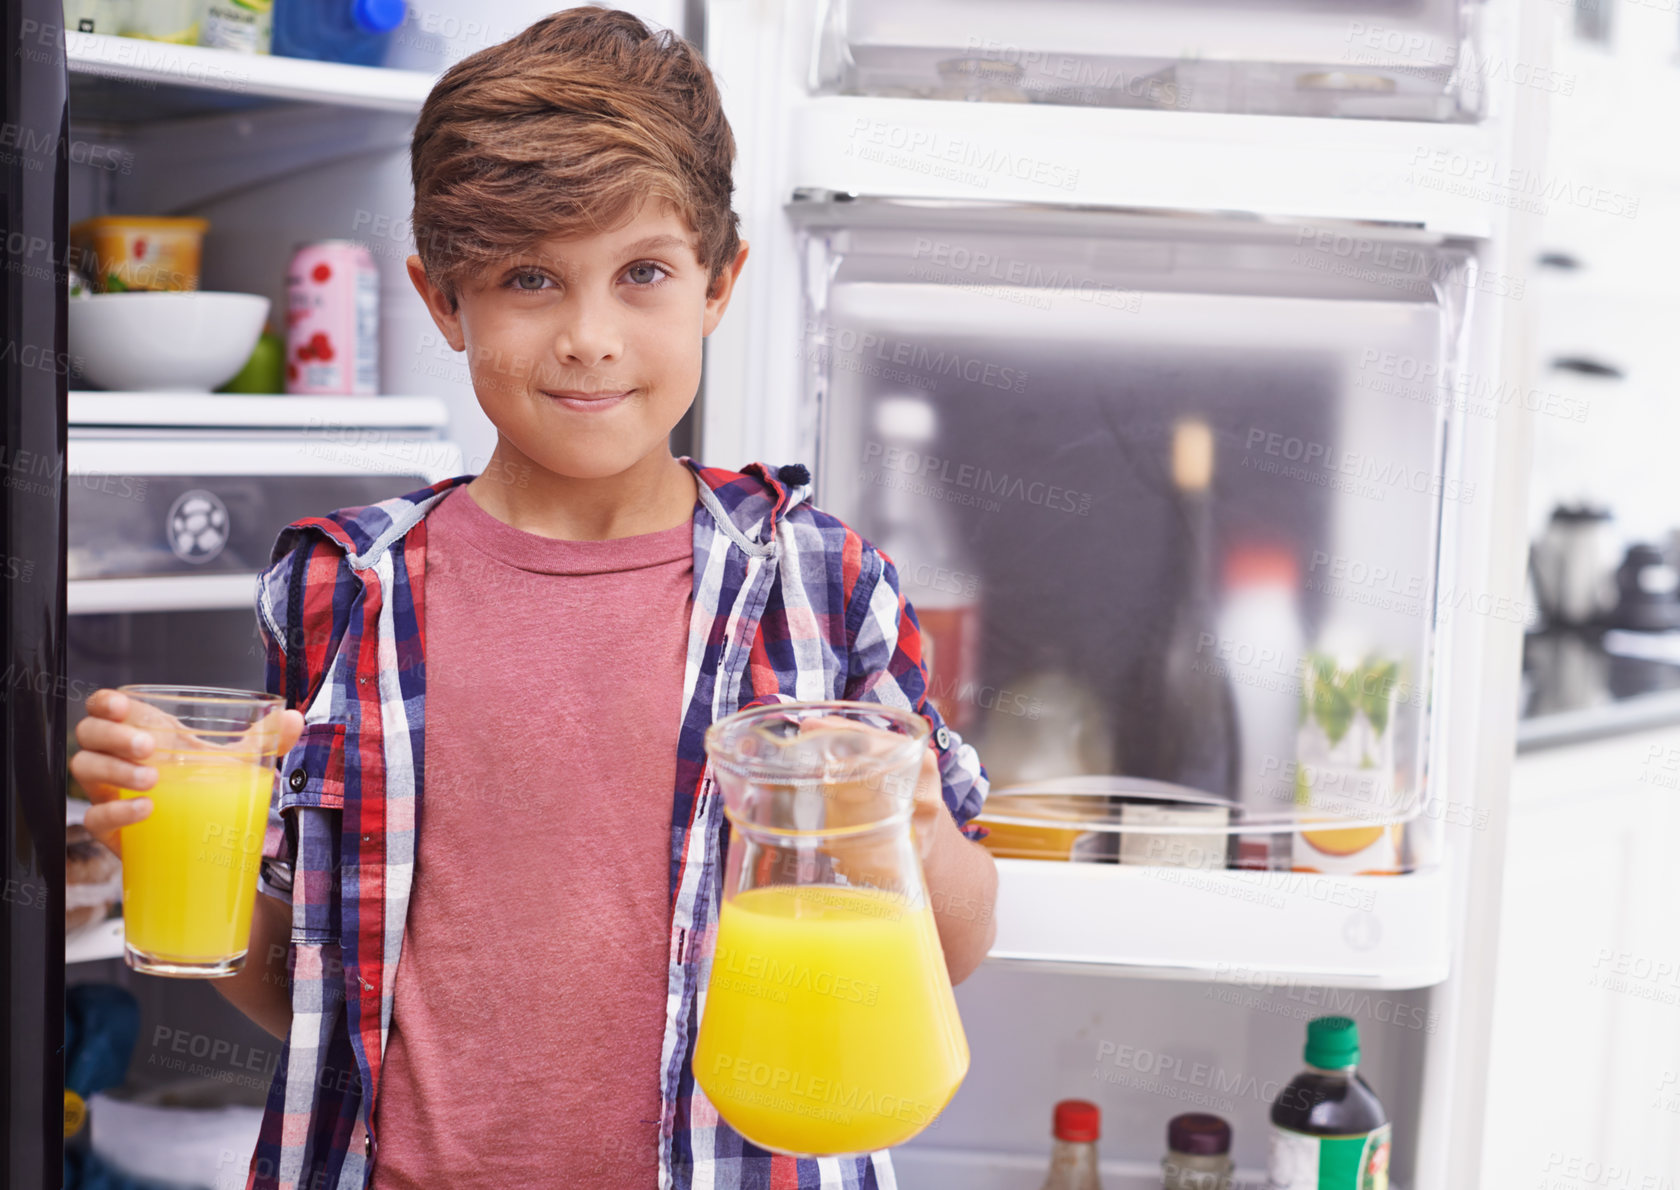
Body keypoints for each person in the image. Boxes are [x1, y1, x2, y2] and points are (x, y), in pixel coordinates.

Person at [69, 8, 997, 1189]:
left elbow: (954, 946)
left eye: (644, 273)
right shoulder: (337, 587)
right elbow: (307, 976)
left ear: (720, 284)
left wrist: (907, 825)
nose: (590, 338)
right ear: (443, 299)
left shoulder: (821, 584)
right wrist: (164, 837)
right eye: (528, 279)